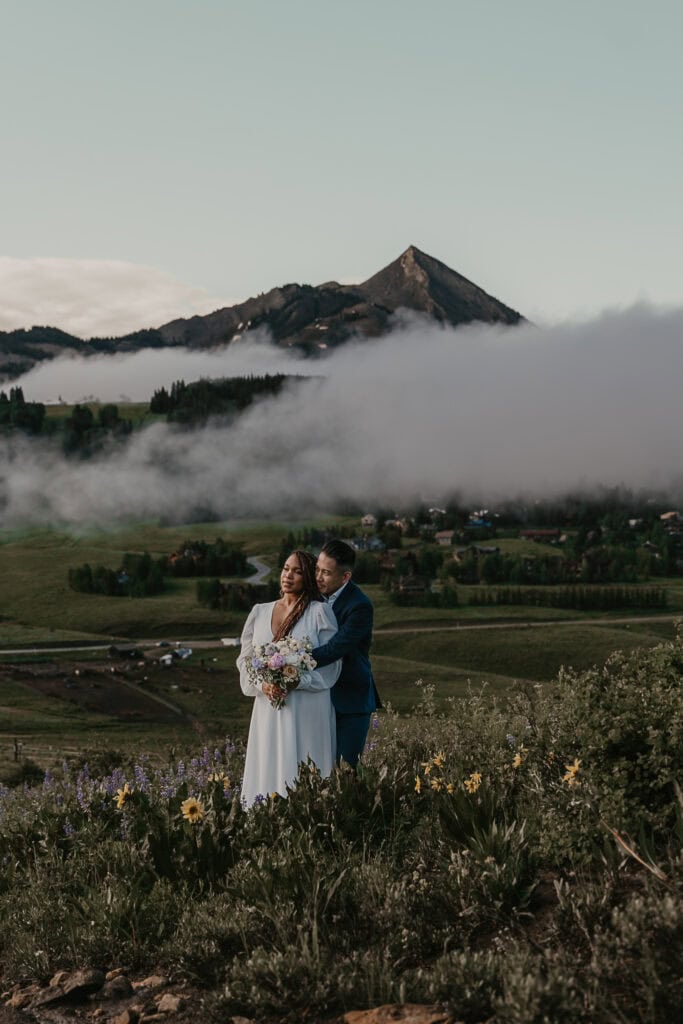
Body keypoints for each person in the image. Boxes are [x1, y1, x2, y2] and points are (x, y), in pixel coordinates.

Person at [237, 549, 340, 806]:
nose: (288, 575)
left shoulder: (319, 613)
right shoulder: (259, 612)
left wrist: (297, 681)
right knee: (269, 762)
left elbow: (331, 665)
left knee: (306, 763)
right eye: (285, 569)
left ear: (308, 577)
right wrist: (264, 684)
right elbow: (245, 661)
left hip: (307, 706)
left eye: (297, 571)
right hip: (268, 707)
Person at [311, 539, 380, 767]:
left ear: (345, 577)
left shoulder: (360, 606)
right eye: (317, 569)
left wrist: (294, 660)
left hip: (350, 700)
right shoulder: (312, 597)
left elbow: (335, 649)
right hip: (318, 698)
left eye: (326, 573)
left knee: (345, 771)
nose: (318, 577)